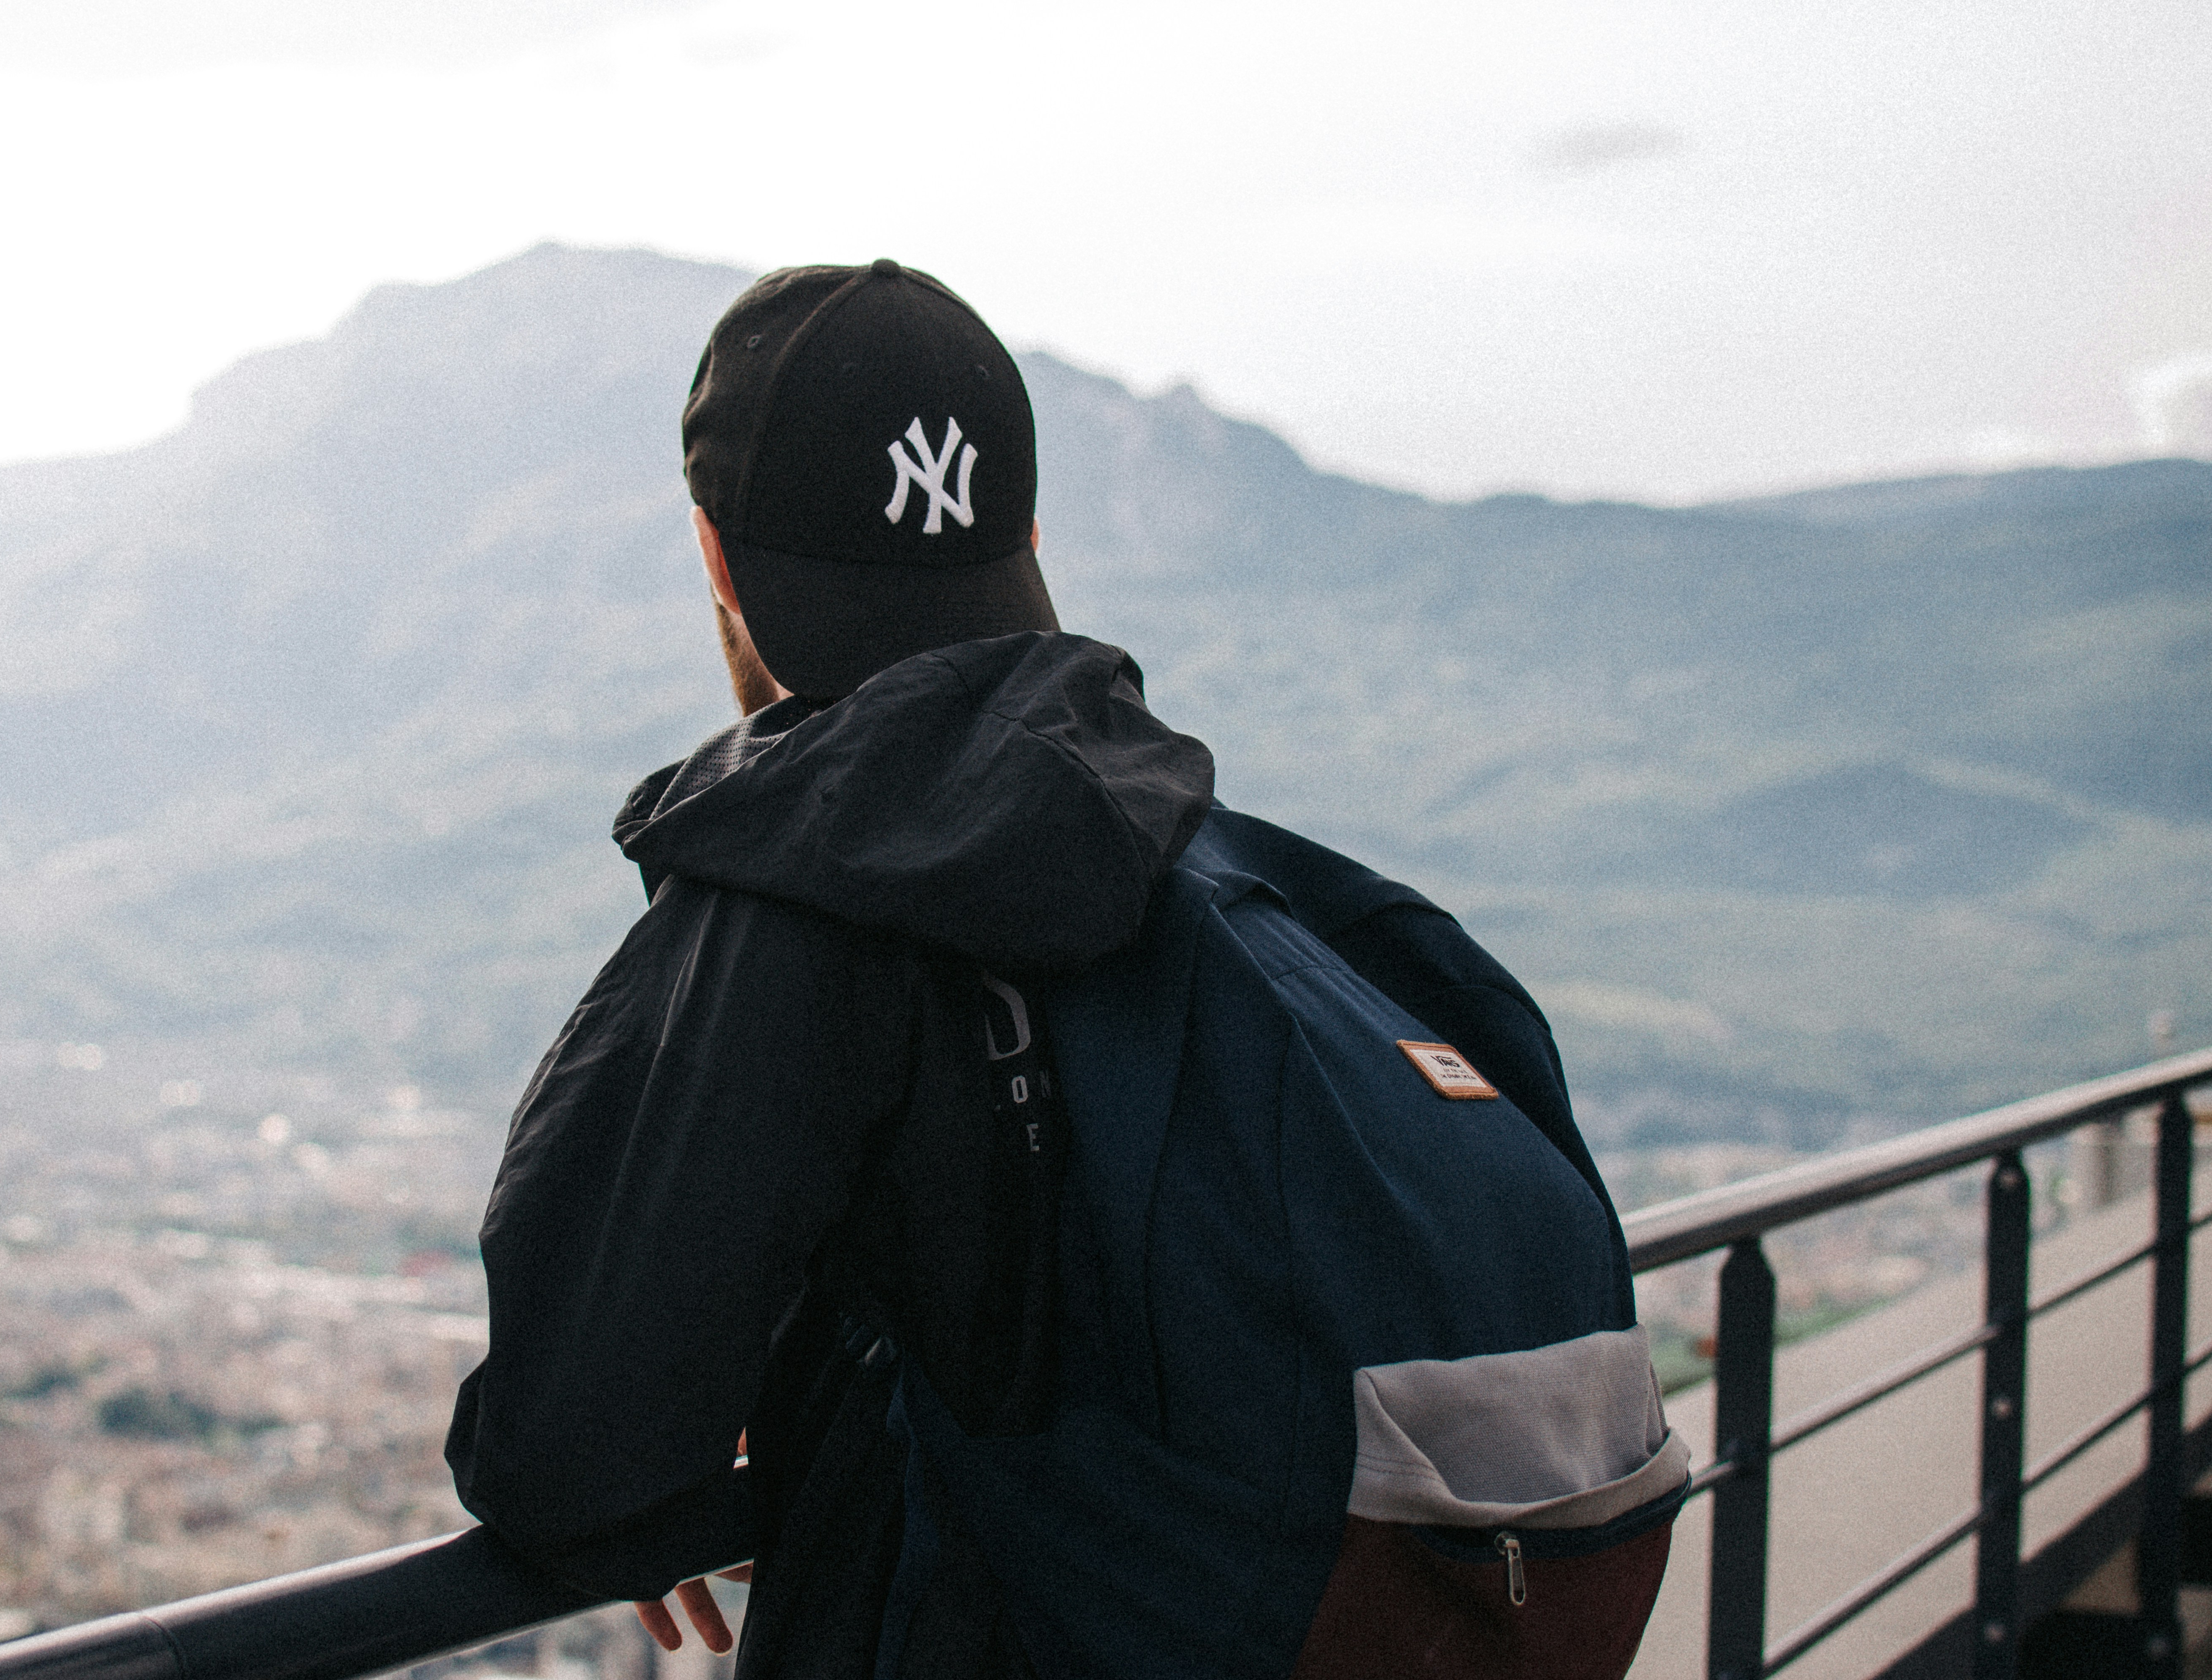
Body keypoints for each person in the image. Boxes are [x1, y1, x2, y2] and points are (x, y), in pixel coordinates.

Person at [446, 260, 1680, 1680]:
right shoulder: (1252, 872)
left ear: (718, 559)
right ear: (1026, 532)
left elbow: (564, 1454)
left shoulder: (807, 881)